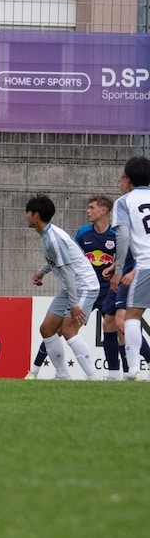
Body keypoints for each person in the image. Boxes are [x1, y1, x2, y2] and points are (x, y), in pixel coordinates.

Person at [26, 195, 117, 379]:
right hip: (72, 287)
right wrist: (42, 271)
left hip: (84, 286)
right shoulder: (48, 235)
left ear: (36, 215)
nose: (26, 216)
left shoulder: (53, 238)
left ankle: (93, 377)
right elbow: (61, 260)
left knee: (68, 329)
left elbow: (67, 272)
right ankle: (62, 375)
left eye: (28, 213)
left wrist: (74, 303)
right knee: (46, 329)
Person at [110, 156, 150, 381]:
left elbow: (123, 234)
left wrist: (118, 271)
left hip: (145, 264)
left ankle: (133, 370)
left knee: (132, 316)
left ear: (128, 179)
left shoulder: (124, 202)